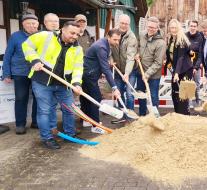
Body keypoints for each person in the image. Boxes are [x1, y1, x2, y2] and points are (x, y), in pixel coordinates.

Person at [22, 21, 84, 149]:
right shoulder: (45, 36)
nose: (75, 36)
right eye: (72, 33)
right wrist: (35, 59)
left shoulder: (78, 48)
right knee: (45, 111)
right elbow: (27, 45)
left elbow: (78, 68)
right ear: (63, 30)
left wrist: (77, 83)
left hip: (64, 83)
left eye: (77, 34)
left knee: (69, 109)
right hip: (42, 81)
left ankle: (70, 134)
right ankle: (47, 138)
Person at [3, 14, 39, 134]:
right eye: (28, 23)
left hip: (37, 73)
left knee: (38, 98)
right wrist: (6, 73)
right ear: (23, 24)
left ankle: (36, 122)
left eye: (34, 23)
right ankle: (20, 124)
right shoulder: (15, 36)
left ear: (38, 24)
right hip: (20, 73)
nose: (31, 25)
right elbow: (8, 55)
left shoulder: (41, 36)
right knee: (21, 98)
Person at [81, 29, 122, 126]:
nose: (117, 42)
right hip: (89, 74)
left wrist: (108, 61)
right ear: (108, 37)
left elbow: (103, 58)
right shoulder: (101, 47)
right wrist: (114, 87)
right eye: (115, 39)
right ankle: (95, 124)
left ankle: (86, 119)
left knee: (87, 97)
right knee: (96, 97)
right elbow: (106, 70)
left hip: (89, 72)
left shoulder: (105, 44)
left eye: (118, 40)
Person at [135, 17, 166, 116]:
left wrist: (147, 74)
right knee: (141, 95)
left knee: (153, 96)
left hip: (153, 76)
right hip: (140, 71)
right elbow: (139, 46)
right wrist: (138, 54)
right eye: (149, 26)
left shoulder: (161, 43)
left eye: (153, 27)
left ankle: (155, 117)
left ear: (157, 28)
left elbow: (158, 63)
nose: (150, 29)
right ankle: (142, 115)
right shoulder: (142, 35)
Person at [110, 14, 138, 124]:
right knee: (119, 94)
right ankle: (122, 116)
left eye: (126, 23)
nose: (124, 25)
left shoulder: (132, 38)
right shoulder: (112, 33)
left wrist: (127, 73)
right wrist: (110, 59)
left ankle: (129, 117)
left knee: (129, 94)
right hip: (118, 70)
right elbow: (109, 48)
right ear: (118, 22)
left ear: (129, 24)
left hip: (130, 71)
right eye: (122, 23)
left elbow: (131, 57)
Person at [165, 19, 193, 115]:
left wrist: (176, 73)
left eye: (175, 27)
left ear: (179, 28)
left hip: (185, 70)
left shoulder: (181, 40)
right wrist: (168, 65)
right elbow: (170, 57)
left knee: (183, 96)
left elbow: (181, 58)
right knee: (174, 93)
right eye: (171, 27)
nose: (173, 29)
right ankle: (177, 115)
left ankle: (184, 117)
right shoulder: (171, 39)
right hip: (176, 70)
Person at [185, 20, 204, 107]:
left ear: (197, 27)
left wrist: (196, 67)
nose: (193, 27)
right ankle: (187, 105)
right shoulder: (185, 36)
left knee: (196, 85)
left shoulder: (200, 37)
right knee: (187, 84)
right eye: (191, 26)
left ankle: (197, 103)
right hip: (186, 65)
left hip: (196, 65)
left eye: (194, 26)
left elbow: (201, 54)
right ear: (189, 26)